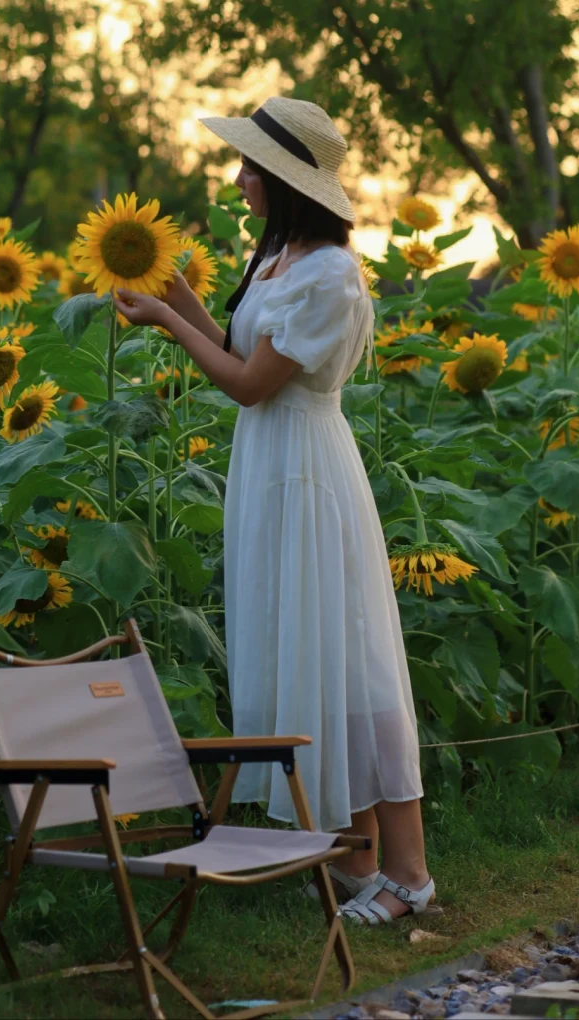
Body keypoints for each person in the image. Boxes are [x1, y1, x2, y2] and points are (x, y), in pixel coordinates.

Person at [113, 95, 434, 927]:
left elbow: (250, 385)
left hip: (308, 472)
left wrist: (164, 324)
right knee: (304, 655)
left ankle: (409, 875)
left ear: (289, 178)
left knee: (351, 662)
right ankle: (354, 859)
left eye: (253, 165)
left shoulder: (329, 273)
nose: (240, 178)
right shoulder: (279, 258)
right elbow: (233, 347)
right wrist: (167, 285)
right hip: (268, 469)